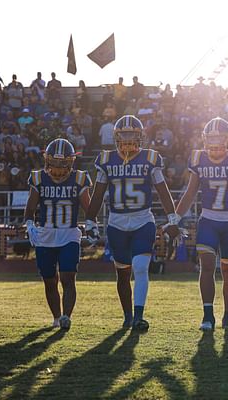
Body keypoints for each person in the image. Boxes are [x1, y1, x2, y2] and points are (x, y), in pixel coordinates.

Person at [83, 115, 181, 332]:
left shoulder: (150, 159)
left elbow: (163, 191)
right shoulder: (107, 160)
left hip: (142, 220)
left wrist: (173, 217)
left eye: (132, 136)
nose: (127, 141)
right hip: (117, 223)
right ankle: (127, 315)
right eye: (123, 136)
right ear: (116, 138)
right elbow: (97, 194)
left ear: (140, 137)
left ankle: (138, 316)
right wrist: (90, 220)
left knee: (140, 267)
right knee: (123, 273)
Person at [170, 117, 228, 330]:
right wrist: (175, 217)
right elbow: (191, 192)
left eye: (219, 137)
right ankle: (208, 315)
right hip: (209, 219)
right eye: (211, 137)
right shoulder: (198, 158)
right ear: (205, 139)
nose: (215, 141)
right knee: (207, 266)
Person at [23, 138, 93, 330]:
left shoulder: (79, 178)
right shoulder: (38, 178)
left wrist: (92, 224)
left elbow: (89, 208)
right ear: (47, 162)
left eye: (63, 165)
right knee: (49, 279)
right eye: (55, 165)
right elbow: (30, 208)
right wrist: (29, 224)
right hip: (46, 234)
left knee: (68, 276)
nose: (59, 170)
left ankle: (66, 317)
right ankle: (55, 317)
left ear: (70, 163)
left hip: (69, 233)